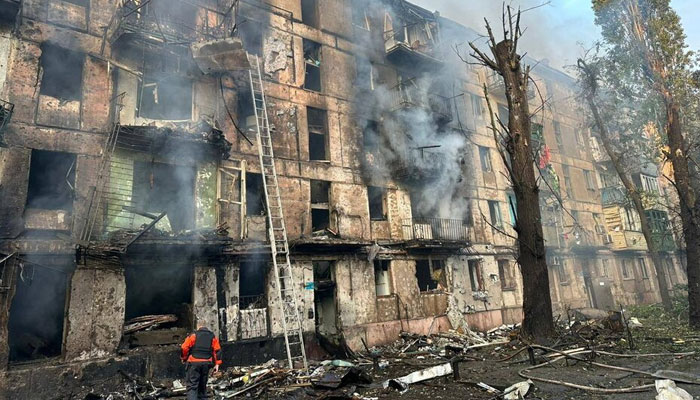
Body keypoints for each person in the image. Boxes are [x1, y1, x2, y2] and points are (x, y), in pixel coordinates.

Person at [180, 325, 222, 400]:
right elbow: (217, 351)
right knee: (202, 387)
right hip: (206, 364)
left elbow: (184, 347)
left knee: (192, 387)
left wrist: (184, 358)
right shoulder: (212, 337)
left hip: (194, 363)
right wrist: (217, 364)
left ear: (199, 328)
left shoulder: (194, 335)